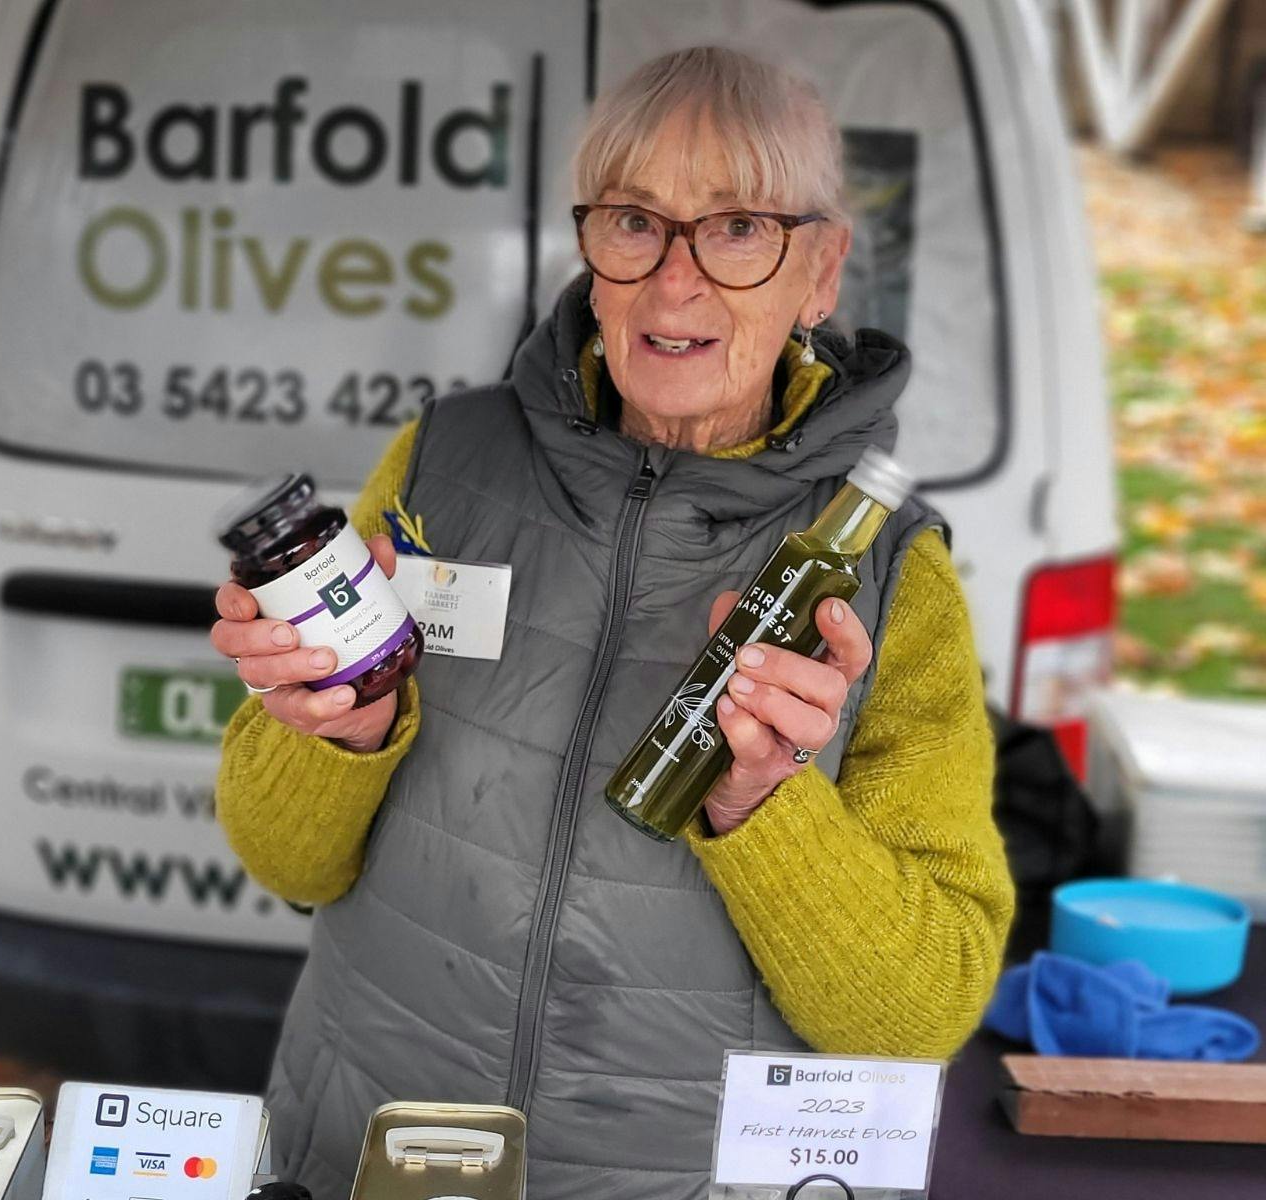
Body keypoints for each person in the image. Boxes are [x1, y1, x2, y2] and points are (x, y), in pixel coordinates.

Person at [209, 46, 1014, 1200]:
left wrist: (764, 805)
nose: (672, 283)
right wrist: (342, 720)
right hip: (379, 1152)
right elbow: (283, 856)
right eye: (634, 222)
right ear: (590, 248)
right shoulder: (448, 463)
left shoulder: (883, 572)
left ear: (822, 271)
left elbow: (919, 1010)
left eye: (738, 229)